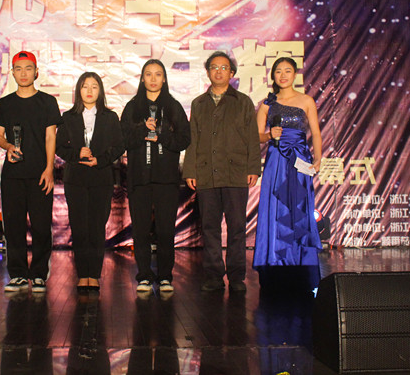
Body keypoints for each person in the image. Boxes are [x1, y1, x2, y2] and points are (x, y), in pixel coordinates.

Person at [183, 51, 261, 292]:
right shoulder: (199, 103)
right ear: (208, 72)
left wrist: (253, 168)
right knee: (210, 228)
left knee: (237, 227)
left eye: (224, 67)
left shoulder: (243, 102)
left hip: (236, 173)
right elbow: (193, 140)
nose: (219, 71)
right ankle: (214, 275)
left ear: (232, 73)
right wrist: (190, 170)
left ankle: (237, 277)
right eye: (214, 67)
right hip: (206, 174)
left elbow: (252, 138)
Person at [121, 59, 190, 294]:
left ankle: (165, 276)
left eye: (158, 74)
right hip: (139, 177)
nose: (153, 79)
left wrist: (162, 135)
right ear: (142, 79)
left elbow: (184, 139)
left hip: (166, 178)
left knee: (165, 230)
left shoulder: (173, 106)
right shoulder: (132, 107)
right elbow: (122, 139)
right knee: (140, 230)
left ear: (164, 79)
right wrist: (142, 130)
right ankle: (143, 275)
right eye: (148, 74)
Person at [0, 51, 61, 294]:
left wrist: (49, 169)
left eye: (28, 68)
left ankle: (39, 274)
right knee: (13, 227)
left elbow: (51, 137)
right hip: (12, 175)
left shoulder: (47, 102)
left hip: (40, 173)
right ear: (12, 73)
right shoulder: (5, 103)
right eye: (19, 69)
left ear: (36, 72)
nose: (23, 73)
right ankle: (18, 274)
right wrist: (8, 146)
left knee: (42, 226)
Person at [253, 56, 322, 283]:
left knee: (299, 207)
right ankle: (276, 261)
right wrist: (269, 135)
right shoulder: (267, 104)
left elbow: (316, 132)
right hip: (276, 160)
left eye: (288, 70)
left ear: (295, 74)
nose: (283, 75)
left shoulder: (306, 100)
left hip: (300, 160)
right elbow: (256, 136)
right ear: (273, 76)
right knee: (276, 207)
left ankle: (301, 262)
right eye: (278, 71)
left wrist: (318, 159)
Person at [56, 72, 124, 291]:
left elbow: (119, 146)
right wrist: (76, 154)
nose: (89, 91)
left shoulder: (110, 117)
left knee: (96, 227)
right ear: (78, 90)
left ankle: (93, 274)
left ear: (100, 91)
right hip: (75, 179)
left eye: (94, 87)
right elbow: (59, 146)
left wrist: (100, 160)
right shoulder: (68, 117)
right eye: (85, 86)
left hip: (100, 178)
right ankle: (82, 274)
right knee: (79, 228)